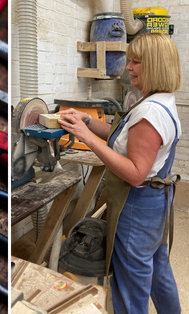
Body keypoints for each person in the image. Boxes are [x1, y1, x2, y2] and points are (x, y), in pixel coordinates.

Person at [58, 33, 181, 314]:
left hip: (138, 204)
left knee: (130, 283)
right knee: (158, 271)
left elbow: (136, 173)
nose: (128, 67)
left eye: (136, 62)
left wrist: (86, 138)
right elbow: (122, 137)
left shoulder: (150, 112)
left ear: (156, 66)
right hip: (156, 199)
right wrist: (88, 121)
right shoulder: (159, 101)